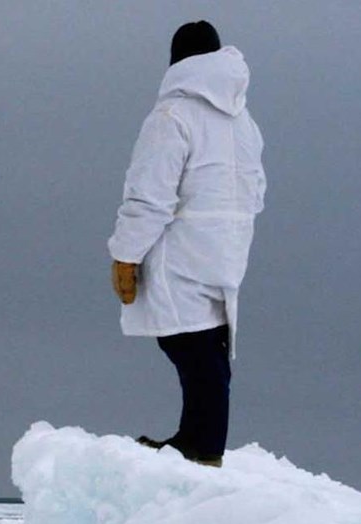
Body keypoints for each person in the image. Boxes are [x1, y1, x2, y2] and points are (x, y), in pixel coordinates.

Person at [107, 20, 266, 467]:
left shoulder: (172, 117)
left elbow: (149, 194)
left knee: (187, 342)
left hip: (182, 245)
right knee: (208, 340)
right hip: (229, 244)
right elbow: (256, 188)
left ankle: (203, 445)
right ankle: (195, 436)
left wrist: (126, 253)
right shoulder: (242, 121)